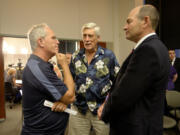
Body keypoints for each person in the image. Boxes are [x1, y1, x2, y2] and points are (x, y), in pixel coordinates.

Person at [98, 5, 170, 135]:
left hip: (136, 128)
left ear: (145, 21)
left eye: (129, 21)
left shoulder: (147, 50)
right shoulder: (158, 47)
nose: (124, 27)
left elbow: (125, 94)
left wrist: (105, 110)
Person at [21, 23, 75, 135]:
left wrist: (62, 102)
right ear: (41, 42)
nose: (58, 42)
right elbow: (69, 96)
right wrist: (64, 65)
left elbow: (62, 94)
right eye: (53, 38)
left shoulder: (42, 65)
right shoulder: (38, 68)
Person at [68, 22, 120, 135]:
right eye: (84, 36)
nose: (87, 39)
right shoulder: (76, 56)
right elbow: (70, 80)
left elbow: (118, 82)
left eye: (90, 36)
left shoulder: (109, 56)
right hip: (79, 110)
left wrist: (107, 103)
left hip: (101, 109)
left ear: (98, 38)